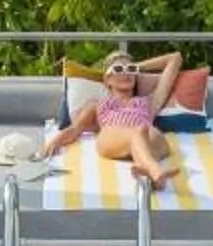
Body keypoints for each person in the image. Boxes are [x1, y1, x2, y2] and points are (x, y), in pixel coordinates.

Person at [43, 47, 185, 195]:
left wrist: (137, 67)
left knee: (142, 132)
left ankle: (145, 170)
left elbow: (175, 58)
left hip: (148, 137)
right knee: (137, 132)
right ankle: (155, 171)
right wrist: (54, 142)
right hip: (113, 137)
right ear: (107, 79)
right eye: (118, 69)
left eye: (130, 70)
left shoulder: (149, 102)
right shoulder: (98, 104)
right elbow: (76, 129)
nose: (125, 73)